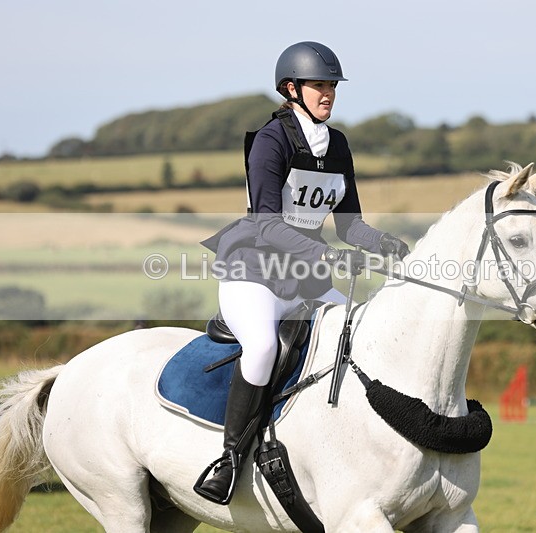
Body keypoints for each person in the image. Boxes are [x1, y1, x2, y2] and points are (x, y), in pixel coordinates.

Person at [195, 41, 410, 505]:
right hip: (255, 272)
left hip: (307, 279)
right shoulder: (270, 141)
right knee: (263, 347)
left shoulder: (338, 146)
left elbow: (350, 226)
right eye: (319, 85)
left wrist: (388, 245)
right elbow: (268, 223)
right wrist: (326, 256)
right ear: (291, 89)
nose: (328, 93)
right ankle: (229, 460)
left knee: (359, 335)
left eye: (332, 86)